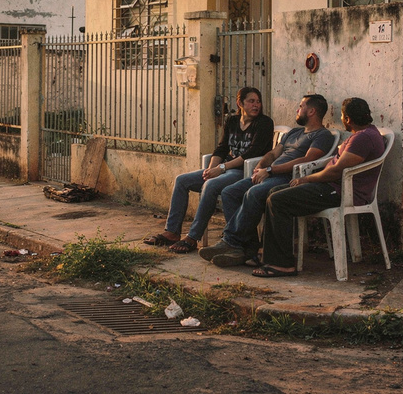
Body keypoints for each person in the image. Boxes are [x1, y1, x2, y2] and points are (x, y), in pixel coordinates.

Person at [251, 97, 385, 277]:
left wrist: (307, 179)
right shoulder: (365, 134)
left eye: (343, 116)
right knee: (274, 191)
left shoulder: (363, 138)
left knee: (278, 200)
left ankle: (282, 264)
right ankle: (267, 254)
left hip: (339, 191)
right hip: (332, 187)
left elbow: (336, 171)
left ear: (347, 119)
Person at [199, 94, 334, 267]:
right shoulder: (294, 133)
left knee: (254, 193)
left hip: (288, 178)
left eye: (301, 106)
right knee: (230, 192)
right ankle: (244, 248)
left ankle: (232, 242)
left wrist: (270, 170)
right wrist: (260, 168)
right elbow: (273, 154)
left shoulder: (322, 135)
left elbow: (306, 160)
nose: (297, 110)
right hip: (269, 173)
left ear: (312, 111)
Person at [143, 87, 274, 253]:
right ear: (240, 103)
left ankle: (192, 238)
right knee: (182, 180)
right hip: (225, 168)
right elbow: (221, 149)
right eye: (251, 101)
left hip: (244, 171)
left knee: (211, 185)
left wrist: (221, 168)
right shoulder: (232, 122)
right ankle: (172, 232)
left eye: (258, 101)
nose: (256, 105)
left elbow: (252, 154)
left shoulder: (264, 123)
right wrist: (210, 170)